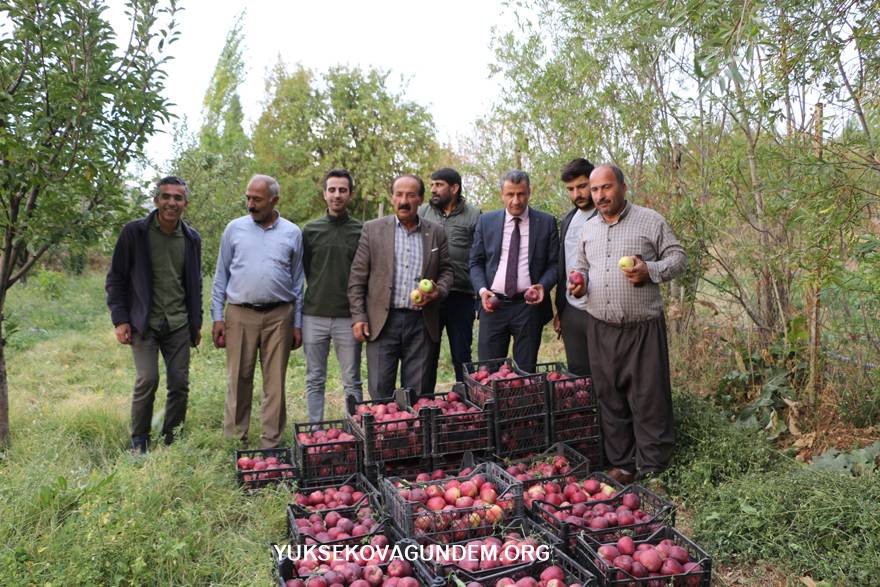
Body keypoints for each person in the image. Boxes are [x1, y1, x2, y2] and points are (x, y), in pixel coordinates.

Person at [569, 164, 687, 484]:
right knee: (609, 396)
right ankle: (622, 464)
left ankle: (654, 467)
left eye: (606, 188)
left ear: (622, 187)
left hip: (641, 326)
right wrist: (578, 285)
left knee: (648, 396)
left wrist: (649, 270)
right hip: (600, 325)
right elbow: (580, 269)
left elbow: (678, 259)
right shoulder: (588, 228)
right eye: (594, 190)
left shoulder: (650, 220)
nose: (600, 195)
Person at [106, 176, 203, 454]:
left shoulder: (191, 238)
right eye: (166, 196)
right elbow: (116, 279)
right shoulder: (134, 233)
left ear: (185, 202)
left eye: (178, 197)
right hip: (143, 322)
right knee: (147, 379)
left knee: (179, 383)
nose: (171, 202)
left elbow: (194, 284)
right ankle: (140, 440)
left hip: (178, 323)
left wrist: (195, 324)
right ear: (156, 199)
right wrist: (120, 319)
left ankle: (172, 438)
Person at [211, 174, 304, 449]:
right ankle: (235, 441)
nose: (250, 204)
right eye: (248, 198)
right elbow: (221, 275)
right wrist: (217, 316)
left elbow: (298, 282)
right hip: (240, 313)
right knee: (238, 379)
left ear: (274, 200)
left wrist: (296, 323)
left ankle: (270, 445)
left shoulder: (292, 232)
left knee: (275, 382)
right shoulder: (234, 229)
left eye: (257, 199)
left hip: (280, 315)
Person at [348, 174, 454, 399]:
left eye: (410, 195)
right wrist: (358, 316)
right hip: (382, 323)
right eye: (399, 194)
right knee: (380, 392)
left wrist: (438, 291)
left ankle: (415, 434)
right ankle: (384, 435)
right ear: (391, 197)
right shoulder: (373, 229)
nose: (404, 201)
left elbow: (447, 271)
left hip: (422, 323)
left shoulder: (435, 232)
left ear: (421, 199)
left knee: (418, 394)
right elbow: (357, 277)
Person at [469, 170, 559, 372]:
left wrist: (543, 286)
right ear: (502, 194)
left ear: (529, 192)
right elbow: (475, 262)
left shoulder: (546, 222)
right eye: (510, 195)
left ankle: (525, 404)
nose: (516, 201)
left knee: (525, 374)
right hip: (493, 307)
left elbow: (554, 264)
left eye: (521, 194)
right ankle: (492, 405)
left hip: (528, 307)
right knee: (488, 373)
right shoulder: (486, 222)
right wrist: (483, 291)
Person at [302, 169, 364, 422]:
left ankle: (357, 430)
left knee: (352, 380)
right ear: (324, 194)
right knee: (314, 378)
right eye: (332, 190)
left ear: (350, 194)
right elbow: (305, 269)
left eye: (342, 190)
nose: (336, 195)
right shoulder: (310, 230)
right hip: (314, 315)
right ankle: (315, 432)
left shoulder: (362, 231)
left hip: (348, 318)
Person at [418, 168, 481, 391]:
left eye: (439, 185)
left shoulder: (474, 215)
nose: (433, 189)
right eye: (432, 184)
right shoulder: (424, 212)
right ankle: (425, 407)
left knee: (462, 355)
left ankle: (470, 403)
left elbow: (479, 255)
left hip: (460, 295)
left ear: (454, 188)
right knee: (427, 355)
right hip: (429, 297)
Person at [554, 158, 596, 376]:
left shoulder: (606, 216)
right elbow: (563, 266)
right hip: (571, 309)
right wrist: (560, 310)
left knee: (605, 373)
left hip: (599, 310)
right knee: (578, 375)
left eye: (582, 186)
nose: (576, 194)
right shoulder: (568, 219)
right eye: (570, 189)